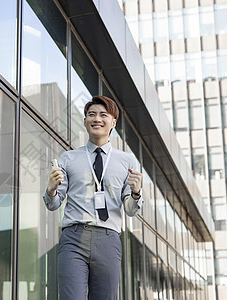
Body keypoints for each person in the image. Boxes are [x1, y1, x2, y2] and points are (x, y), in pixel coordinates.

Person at [43, 96, 143, 300]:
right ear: (85, 121)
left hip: (108, 239)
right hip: (74, 237)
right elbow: (54, 204)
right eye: (91, 114)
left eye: (103, 115)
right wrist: (51, 190)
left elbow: (131, 209)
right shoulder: (68, 158)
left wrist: (136, 192)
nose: (97, 119)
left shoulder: (127, 160)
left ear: (113, 122)